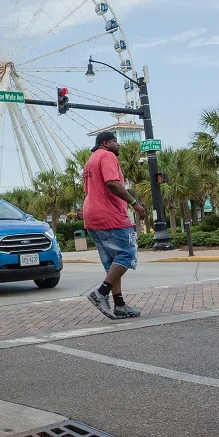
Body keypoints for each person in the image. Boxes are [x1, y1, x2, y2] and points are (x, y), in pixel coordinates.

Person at [83, 131, 146, 319]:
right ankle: (100, 293)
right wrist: (135, 204)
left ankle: (119, 305)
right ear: (105, 143)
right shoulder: (107, 155)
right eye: (115, 141)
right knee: (128, 254)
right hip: (110, 215)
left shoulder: (90, 160)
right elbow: (112, 183)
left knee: (112, 262)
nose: (118, 145)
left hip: (92, 216)